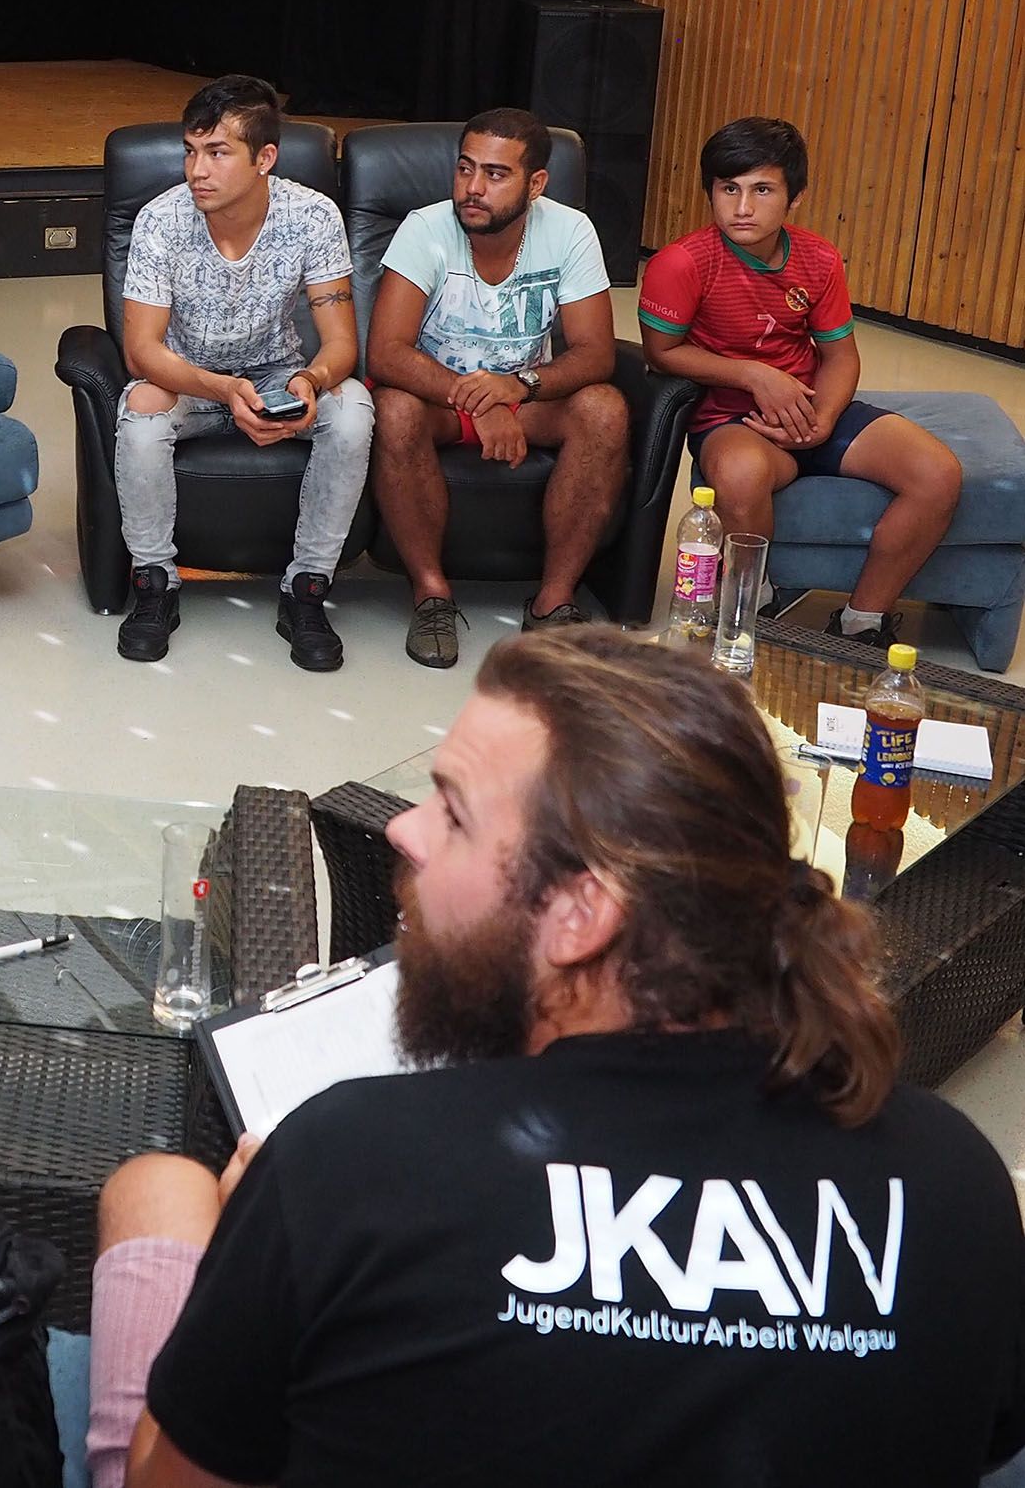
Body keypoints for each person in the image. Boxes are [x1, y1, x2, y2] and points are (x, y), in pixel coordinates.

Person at [89, 628, 1025, 1488]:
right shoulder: (959, 1186)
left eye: (454, 813)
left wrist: (255, 1257)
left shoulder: (347, 1166)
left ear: (581, 913)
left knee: (155, 1192)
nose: (405, 830)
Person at [641, 117, 962, 650]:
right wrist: (754, 374)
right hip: (732, 418)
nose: (743, 207)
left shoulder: (818, 257)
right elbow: (661, 353)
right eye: (728, 189)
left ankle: (862, 622)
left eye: (762, 190)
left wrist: (824, 420)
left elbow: (840, 356)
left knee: (938, 473)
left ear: (795, 198)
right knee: (741, 473)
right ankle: (754, 606)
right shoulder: (681, 263)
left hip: (810, 405)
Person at [113, 75, 372, 671]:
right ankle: (155, 583)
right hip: (188, 379)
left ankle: (306, 587)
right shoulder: (160, 219)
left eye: (217, 152)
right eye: (190, 151)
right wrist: (224, 390)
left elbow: (340, 343)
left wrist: (310, 382)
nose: (196, 171)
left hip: (279, 375)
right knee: (141, 409)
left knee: (353, 409)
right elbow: (141, 351)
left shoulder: (313, 216)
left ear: (265, 158)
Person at [366, 109, 630, 668]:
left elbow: (595, 354)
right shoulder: (425, 228)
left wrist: (518, 387)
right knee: (392, 410)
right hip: (436, 397)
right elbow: (386, 352)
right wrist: (479, 401)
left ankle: (553, 601)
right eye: (465, 169)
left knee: (604, 409)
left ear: (536, 184)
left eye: (495, 174)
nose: (473, 188)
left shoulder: (570, 231)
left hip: (523, 397)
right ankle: (431, 595)